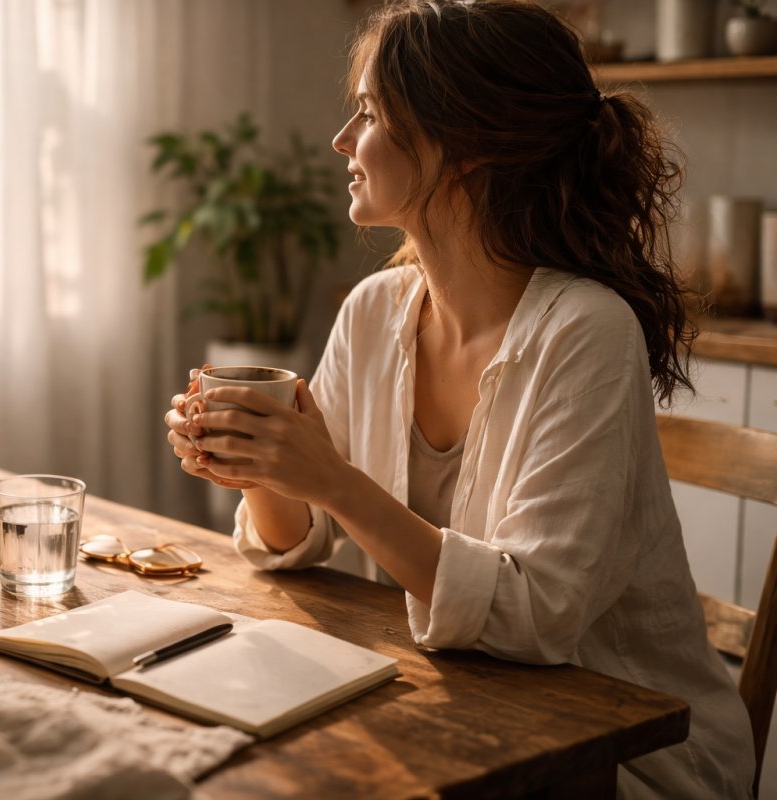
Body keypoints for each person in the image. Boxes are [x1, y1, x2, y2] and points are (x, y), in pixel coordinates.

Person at [163, 1, 754, 797]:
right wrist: (264, 463)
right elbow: (297, 546)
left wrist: (331, 478)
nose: (343, 140)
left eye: (370, 113)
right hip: (443, 707)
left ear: (465, 147)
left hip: (614, 753)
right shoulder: (375, 311)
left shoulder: (584, 332)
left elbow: (534, 616)